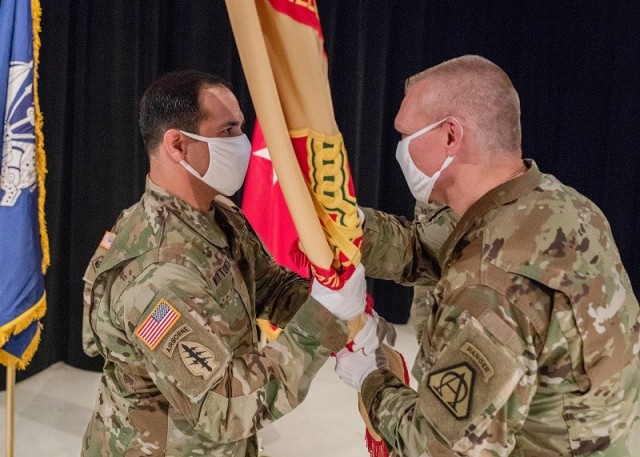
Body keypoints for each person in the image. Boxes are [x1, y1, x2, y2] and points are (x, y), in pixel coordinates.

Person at [335, 55, 640, 456]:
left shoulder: (488, 280)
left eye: (406, 135)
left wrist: (372, 378)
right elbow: (429, 250)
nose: (400, 150)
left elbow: (439, 448)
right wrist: (351, 228)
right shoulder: (563, 206)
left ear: (450, 136)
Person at [81, 70, 369, 456]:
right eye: (228, 131)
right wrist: (322, 320)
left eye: (241, 129)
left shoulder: (217, 214)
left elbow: (269, 287)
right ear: (178, 145)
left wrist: (348, 316)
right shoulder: (157, 274)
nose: (243, 143)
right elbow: (227, 407)